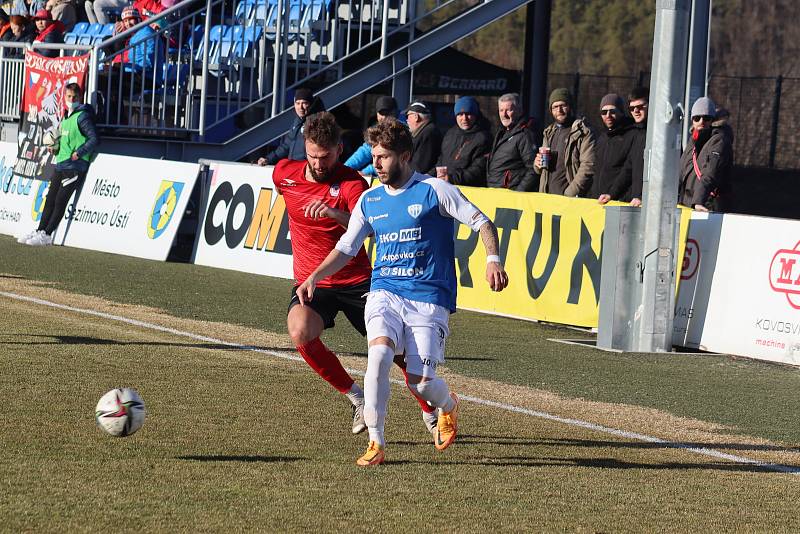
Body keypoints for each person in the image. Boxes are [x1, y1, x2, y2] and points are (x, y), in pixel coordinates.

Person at [297, 118, 509, 466]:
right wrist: (315, 277)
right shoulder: (370, 200)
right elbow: (348, 247)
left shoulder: (435, 191)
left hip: (428, 298)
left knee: (422, 383)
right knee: (378, 357)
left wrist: (493, 260)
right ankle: (376, 442)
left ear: (405, 156)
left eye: (384, 157)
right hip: (385, 292)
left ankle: (449, 405)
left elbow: (482, 222)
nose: (376, 164)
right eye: (374, 156)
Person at [272, 111, 439, 436]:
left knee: (401, 354)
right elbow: (283, 191)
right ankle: (356, 397)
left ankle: (431, 412)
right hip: (314, 281)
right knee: (299, 331)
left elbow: (371, 229)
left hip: (358, 282)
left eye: (326, 156)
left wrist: (334, 213)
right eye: (312, 156)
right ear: (304, 148)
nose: (319, 164)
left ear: (339, 149)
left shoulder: (352, 183)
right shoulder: (284, 174)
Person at [20, 83, 99, 246]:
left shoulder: (82, 116)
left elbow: (94, 138)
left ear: (80, 97)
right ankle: (40, 230)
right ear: (64, 97)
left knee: (60, 200)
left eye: (74, 97)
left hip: (75, 166)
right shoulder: (66, 116)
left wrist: (79, 153)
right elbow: (64, 140)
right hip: (61, 163)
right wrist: (54, 148)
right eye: (69, 97)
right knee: (50, 199)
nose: (71, 100)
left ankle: (47, 235)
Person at [535, 88, 595, 197]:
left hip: (569, 202)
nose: (559, 110)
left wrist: (569, 193)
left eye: (563, 105)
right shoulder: (549, 133)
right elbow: (540, 170)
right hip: (546, 199)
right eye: (555, 107)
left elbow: (588, 166)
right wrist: (537, 164)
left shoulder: (583, 132)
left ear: (570, 106)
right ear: (551, 110)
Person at [677, 96, 734, 212]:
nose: (701, 122)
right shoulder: (692, 142)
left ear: (713, 120)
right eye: (697, 118)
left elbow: (710, 173)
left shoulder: (719, 141)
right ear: (692, 120)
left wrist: (698, 201)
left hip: (705, 206)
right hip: (686, 206)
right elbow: (680, 173)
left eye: (706, 118)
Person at [432, 96, 492, 186]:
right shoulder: (450, 134)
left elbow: (478, 170)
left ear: (476, 115)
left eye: (468, 114)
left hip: (468, 191)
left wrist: (452, 178)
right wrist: (430, 175)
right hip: (446, 188)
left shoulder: (483, 138)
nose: (464, 118)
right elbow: (441, 160)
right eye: (460, 114)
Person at [486, 93, 538, 191]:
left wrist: (517, 193)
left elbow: (533, 169)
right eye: (501, 110)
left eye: (508, 110)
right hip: (495, 195)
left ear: (519, 111)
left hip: (510, 198)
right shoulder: (502, 132)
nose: (504, 114)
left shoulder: (524, 135)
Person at [592, 93, 636, 204]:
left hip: (619, 202)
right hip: (599, 201)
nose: (608, 115)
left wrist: (614, 194)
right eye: (604, 112)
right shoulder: (602, 138)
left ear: (621, 112)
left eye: (612, 111)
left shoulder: (631, 135)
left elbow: (629, 171)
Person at [256, 88, 317, 166]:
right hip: (294, 166)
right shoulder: (297, 122)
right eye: (297, 103)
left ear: (311, 104)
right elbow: (286, 146)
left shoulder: (317, 123)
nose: (300, 107)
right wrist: (269, 159)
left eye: (304, 103)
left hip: (306, 170)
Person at [344, 95, 400, 177]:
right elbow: (365, 151)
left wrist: (366, 172)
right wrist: (344, 169)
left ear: (396, 112)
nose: (384, 117)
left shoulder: (403, 130)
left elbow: (391, 161)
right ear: (377, 114)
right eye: (381, 113)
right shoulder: (378, 128)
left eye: (388, 113)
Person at [624, 86, 648, 207]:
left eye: (640, 107)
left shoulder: (661, 136)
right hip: (637, 202)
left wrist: (642, 197)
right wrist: (611, 194)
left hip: (653, 204)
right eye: (632, 108)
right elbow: (629, 168)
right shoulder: (636, 133)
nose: (636, 111)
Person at [404, 101, 441, 174]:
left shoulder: (428, 134)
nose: (407, 120)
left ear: (416, 117)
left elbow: (419, 168)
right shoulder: (424, 132)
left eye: (407, 116)